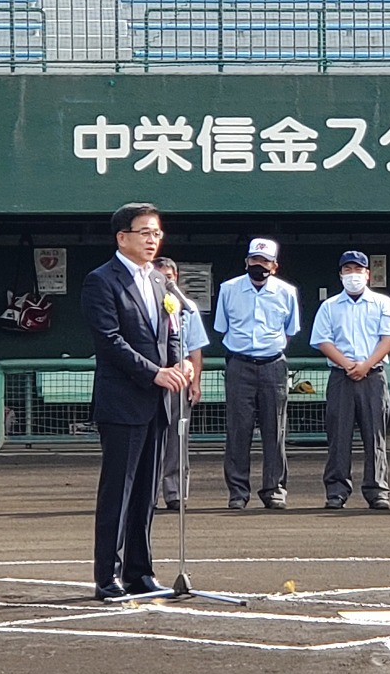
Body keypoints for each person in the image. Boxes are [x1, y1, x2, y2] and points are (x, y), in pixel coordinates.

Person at [80, 203, 191, 601]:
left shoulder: (162, 283)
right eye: (144, 232)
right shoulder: (101, 281)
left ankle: (140, 573)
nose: (152, 240)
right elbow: (110, 341)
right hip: (123, 401)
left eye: (157, 233)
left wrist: (179, 364)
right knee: (119, 491)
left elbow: (171, 332)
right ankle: (107, 575)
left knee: (147, 492)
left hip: (158, 403)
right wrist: (154, 372)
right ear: (122, 237)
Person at [310, 251, 390, 510]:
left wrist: (365, 365)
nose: (353, 274)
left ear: (367, 273)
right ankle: (337, 490)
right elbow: (322, 340)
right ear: (340, 274)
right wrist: (348, 364)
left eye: (357, 269)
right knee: (339, 436)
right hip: (341, 376)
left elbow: (388, 339)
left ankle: (377, 490)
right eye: (347, 269)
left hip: (373, 376)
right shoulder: (329, 306)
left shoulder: (383, 303)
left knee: (376, 435)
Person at [214, 238, 300, 510]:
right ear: (246, 261)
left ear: (274, 265)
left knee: (275, 430)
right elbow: (222, 327)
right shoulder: (228, 289)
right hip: (239, 364)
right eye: (254, 260)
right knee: (238, 430)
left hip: (273, 364)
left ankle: (274, 490)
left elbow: (290, 330)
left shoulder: (286, 292)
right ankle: (238, 492)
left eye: (264, 261)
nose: (258, 265)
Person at [152, 256, 210, 513]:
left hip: (179, 380)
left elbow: (195, 348)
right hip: (151, 377)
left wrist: (195, 381)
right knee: (150, 439)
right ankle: (147, 494)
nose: (167, 280)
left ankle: (175, 493)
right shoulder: (146, 303)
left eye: (170, 276)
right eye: (161, 276)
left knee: (178, 438)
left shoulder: (188, 307)